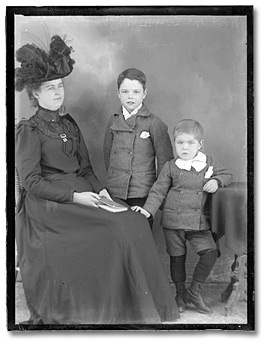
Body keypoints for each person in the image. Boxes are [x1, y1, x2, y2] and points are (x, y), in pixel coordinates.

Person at [14, 35, 180, 325]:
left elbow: (87, 169)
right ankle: (106, 309)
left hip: (84, 193)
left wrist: (102, 192)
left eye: (60, 86)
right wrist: (76, 197)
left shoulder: (69, 123)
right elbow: (31, 183)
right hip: (48, 207)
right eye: (49, 88)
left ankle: (136, 306)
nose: (57, 92)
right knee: (115, 229)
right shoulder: (29, 130)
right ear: (35, 95)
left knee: (132, 220)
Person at [132, 119, 233, 314]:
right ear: (174, 143)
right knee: (177, 258)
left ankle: (194, 291)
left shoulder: (208, 163)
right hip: (173, 222)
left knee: (210, 252)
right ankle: (180, 293)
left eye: (190, 143)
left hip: (199, 223)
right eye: (180, 143)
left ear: (200, 145)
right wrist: (147, 210)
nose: (185, 148)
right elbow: (158, 191)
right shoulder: (171, 166)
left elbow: (228, 174)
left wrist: (217, 180)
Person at [103, 68, 174, 228]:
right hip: (115, 191)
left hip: (142, 192)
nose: (130, 96)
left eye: (136, 91)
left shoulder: (154, 123)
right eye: (125, 91)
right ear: (118, 93)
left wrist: (156, 197)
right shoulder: (113, 121)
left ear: (144, 93)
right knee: (117, 234)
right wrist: (113, 181)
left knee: (140, 233)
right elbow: (107, 155)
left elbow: (165, 163)